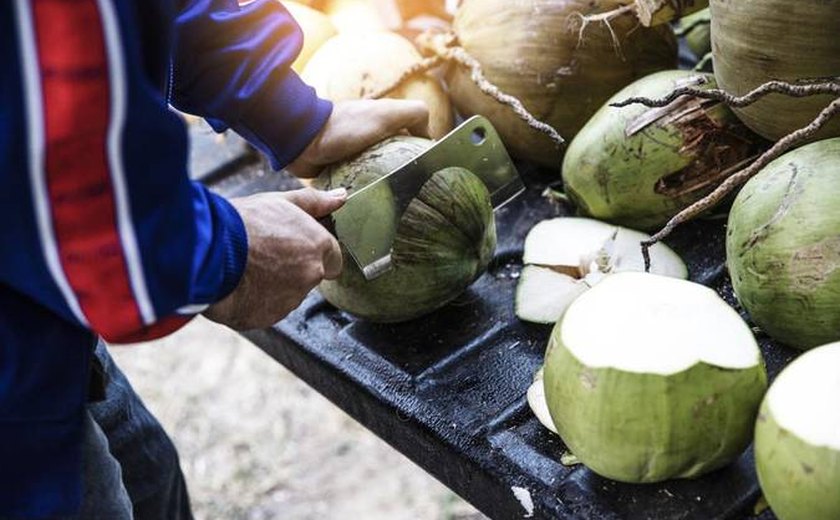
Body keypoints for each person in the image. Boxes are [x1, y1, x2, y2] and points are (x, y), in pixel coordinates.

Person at [1, 0, 429, 518]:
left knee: (150, 478)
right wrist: (227, 252)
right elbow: (73, 202)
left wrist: (283, 112)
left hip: (44, 329)